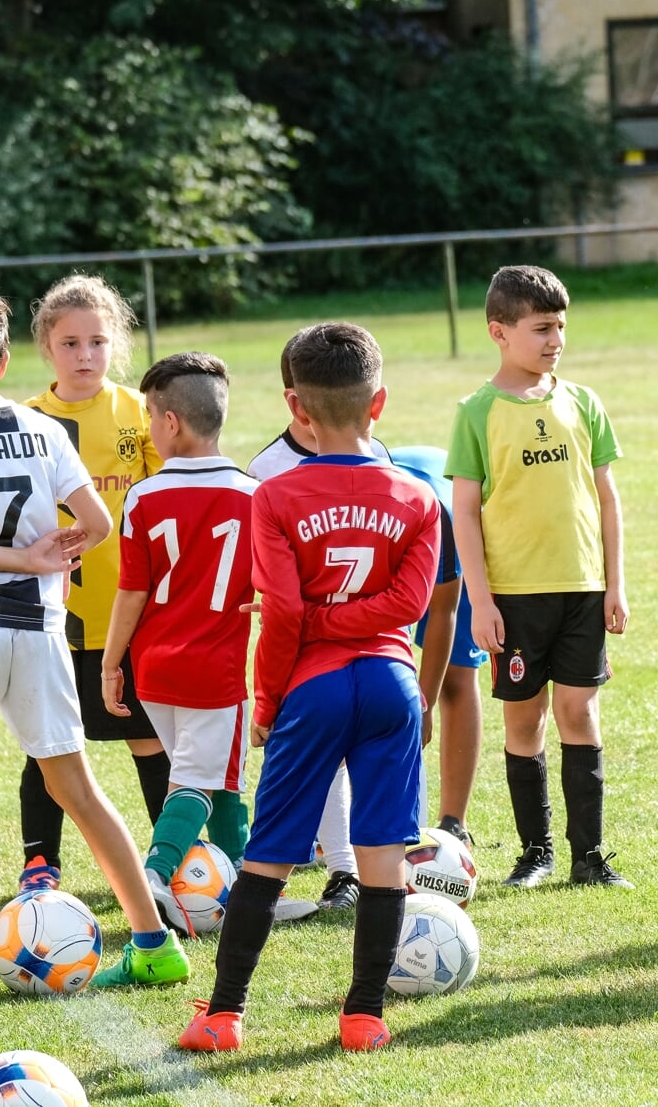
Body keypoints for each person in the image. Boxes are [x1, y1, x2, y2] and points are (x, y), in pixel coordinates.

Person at [0, 288, 187, 1009]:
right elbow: (96, 520)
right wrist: (46, 556)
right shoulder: (43, 429)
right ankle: (154, 946)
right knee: (79, 790)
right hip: (40, 633)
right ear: (3, 359)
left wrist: (21, 560)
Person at [178, 321, 439, 1054]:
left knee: (271, 853)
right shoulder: (417, 498)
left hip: (314, 685)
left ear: (297, 406)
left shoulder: (277, 495)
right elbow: (409, 608)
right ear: (378, 403)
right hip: (392, 683)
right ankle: (363, 1016)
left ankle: (224, 1015)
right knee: (384, 854)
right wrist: (355, 623)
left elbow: (286, 612)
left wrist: (268, 703)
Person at [446, 265, 631, 890]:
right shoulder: (477, 412)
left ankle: (590, 857)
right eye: (541, 328)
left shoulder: (583, 402)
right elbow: (464, 514)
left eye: (561, 327)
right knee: (525, 722)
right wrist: (481, 601)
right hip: (515, 597)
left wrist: (616, 584)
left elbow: (607, 499)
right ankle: (536, 852)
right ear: (500, 332)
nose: (555, 340)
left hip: (581, 588)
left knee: (579, 712)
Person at [15, 274, 169, 896]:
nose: (85, 356)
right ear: (46, 348)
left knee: (146, 732)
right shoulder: (23, 421)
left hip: (130, 611)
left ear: (117, 346)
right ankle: (39, 862)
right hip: (50, 613)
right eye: (71, 343)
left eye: (98, 343)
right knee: (46, 743)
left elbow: (169, 500)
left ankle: (173, 858)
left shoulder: (140, 413)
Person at [99, 353, 262, 931]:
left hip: (155, 667)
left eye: (149, 415)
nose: (148, 427)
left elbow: (130, 593)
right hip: (214, 669)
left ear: (171, 423)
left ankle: (242, 886)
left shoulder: (142, 498)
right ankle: (150, 875)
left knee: (216, 778)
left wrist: (112, 663)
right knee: (199, 777)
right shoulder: (254, 494)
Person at [248, 326, 397, 916]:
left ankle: (351, 870)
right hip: (308, 647)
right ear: (295, 400)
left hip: (363, 643)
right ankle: (339, 867)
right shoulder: (267, 471)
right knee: (319, 760)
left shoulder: (379, 458)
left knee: (360, 756)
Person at [388, 443, 488, 846]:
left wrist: (423, 705)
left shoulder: (439, 521)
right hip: (393, 520)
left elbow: (444, 613)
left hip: (453, 524)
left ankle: (453, 821)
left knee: (456, 678)